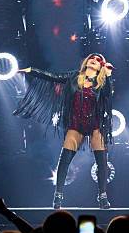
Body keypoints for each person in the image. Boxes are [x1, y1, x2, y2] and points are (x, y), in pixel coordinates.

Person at [14, 53, 114, 209]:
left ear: (101, 66)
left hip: (95, 124)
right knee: (65, 160)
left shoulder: (101, 82)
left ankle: (102, 197)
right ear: (87, 62)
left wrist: (108, 76)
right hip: (76, 123)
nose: (94, 60)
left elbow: (108, 95)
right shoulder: (74, 77)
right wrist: (30, 70)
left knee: (102, 161)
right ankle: (58, 196)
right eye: (92, 58)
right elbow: (52, 76)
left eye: (98, 60)